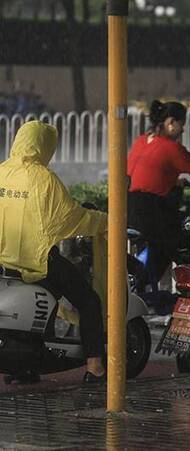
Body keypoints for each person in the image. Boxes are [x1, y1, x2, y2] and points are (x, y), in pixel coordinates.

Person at [0, 121, 107, 383]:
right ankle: (95, 366)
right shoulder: (44, 179)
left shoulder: (2, 171)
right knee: (89, 301)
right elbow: (69, 218)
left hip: (4, 259)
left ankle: (29, 365)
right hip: (37, 260)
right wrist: (106, 221)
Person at [127, 100, 190, 288]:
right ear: (171, 122)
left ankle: (148, 287)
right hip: (151, 211)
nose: (183, 131)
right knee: (185, 240)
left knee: (162, 245)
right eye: (182, 125)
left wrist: (175, 181)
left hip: (130, 207)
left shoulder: (141, 141)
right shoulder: (172, 148)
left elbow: (149, 173)